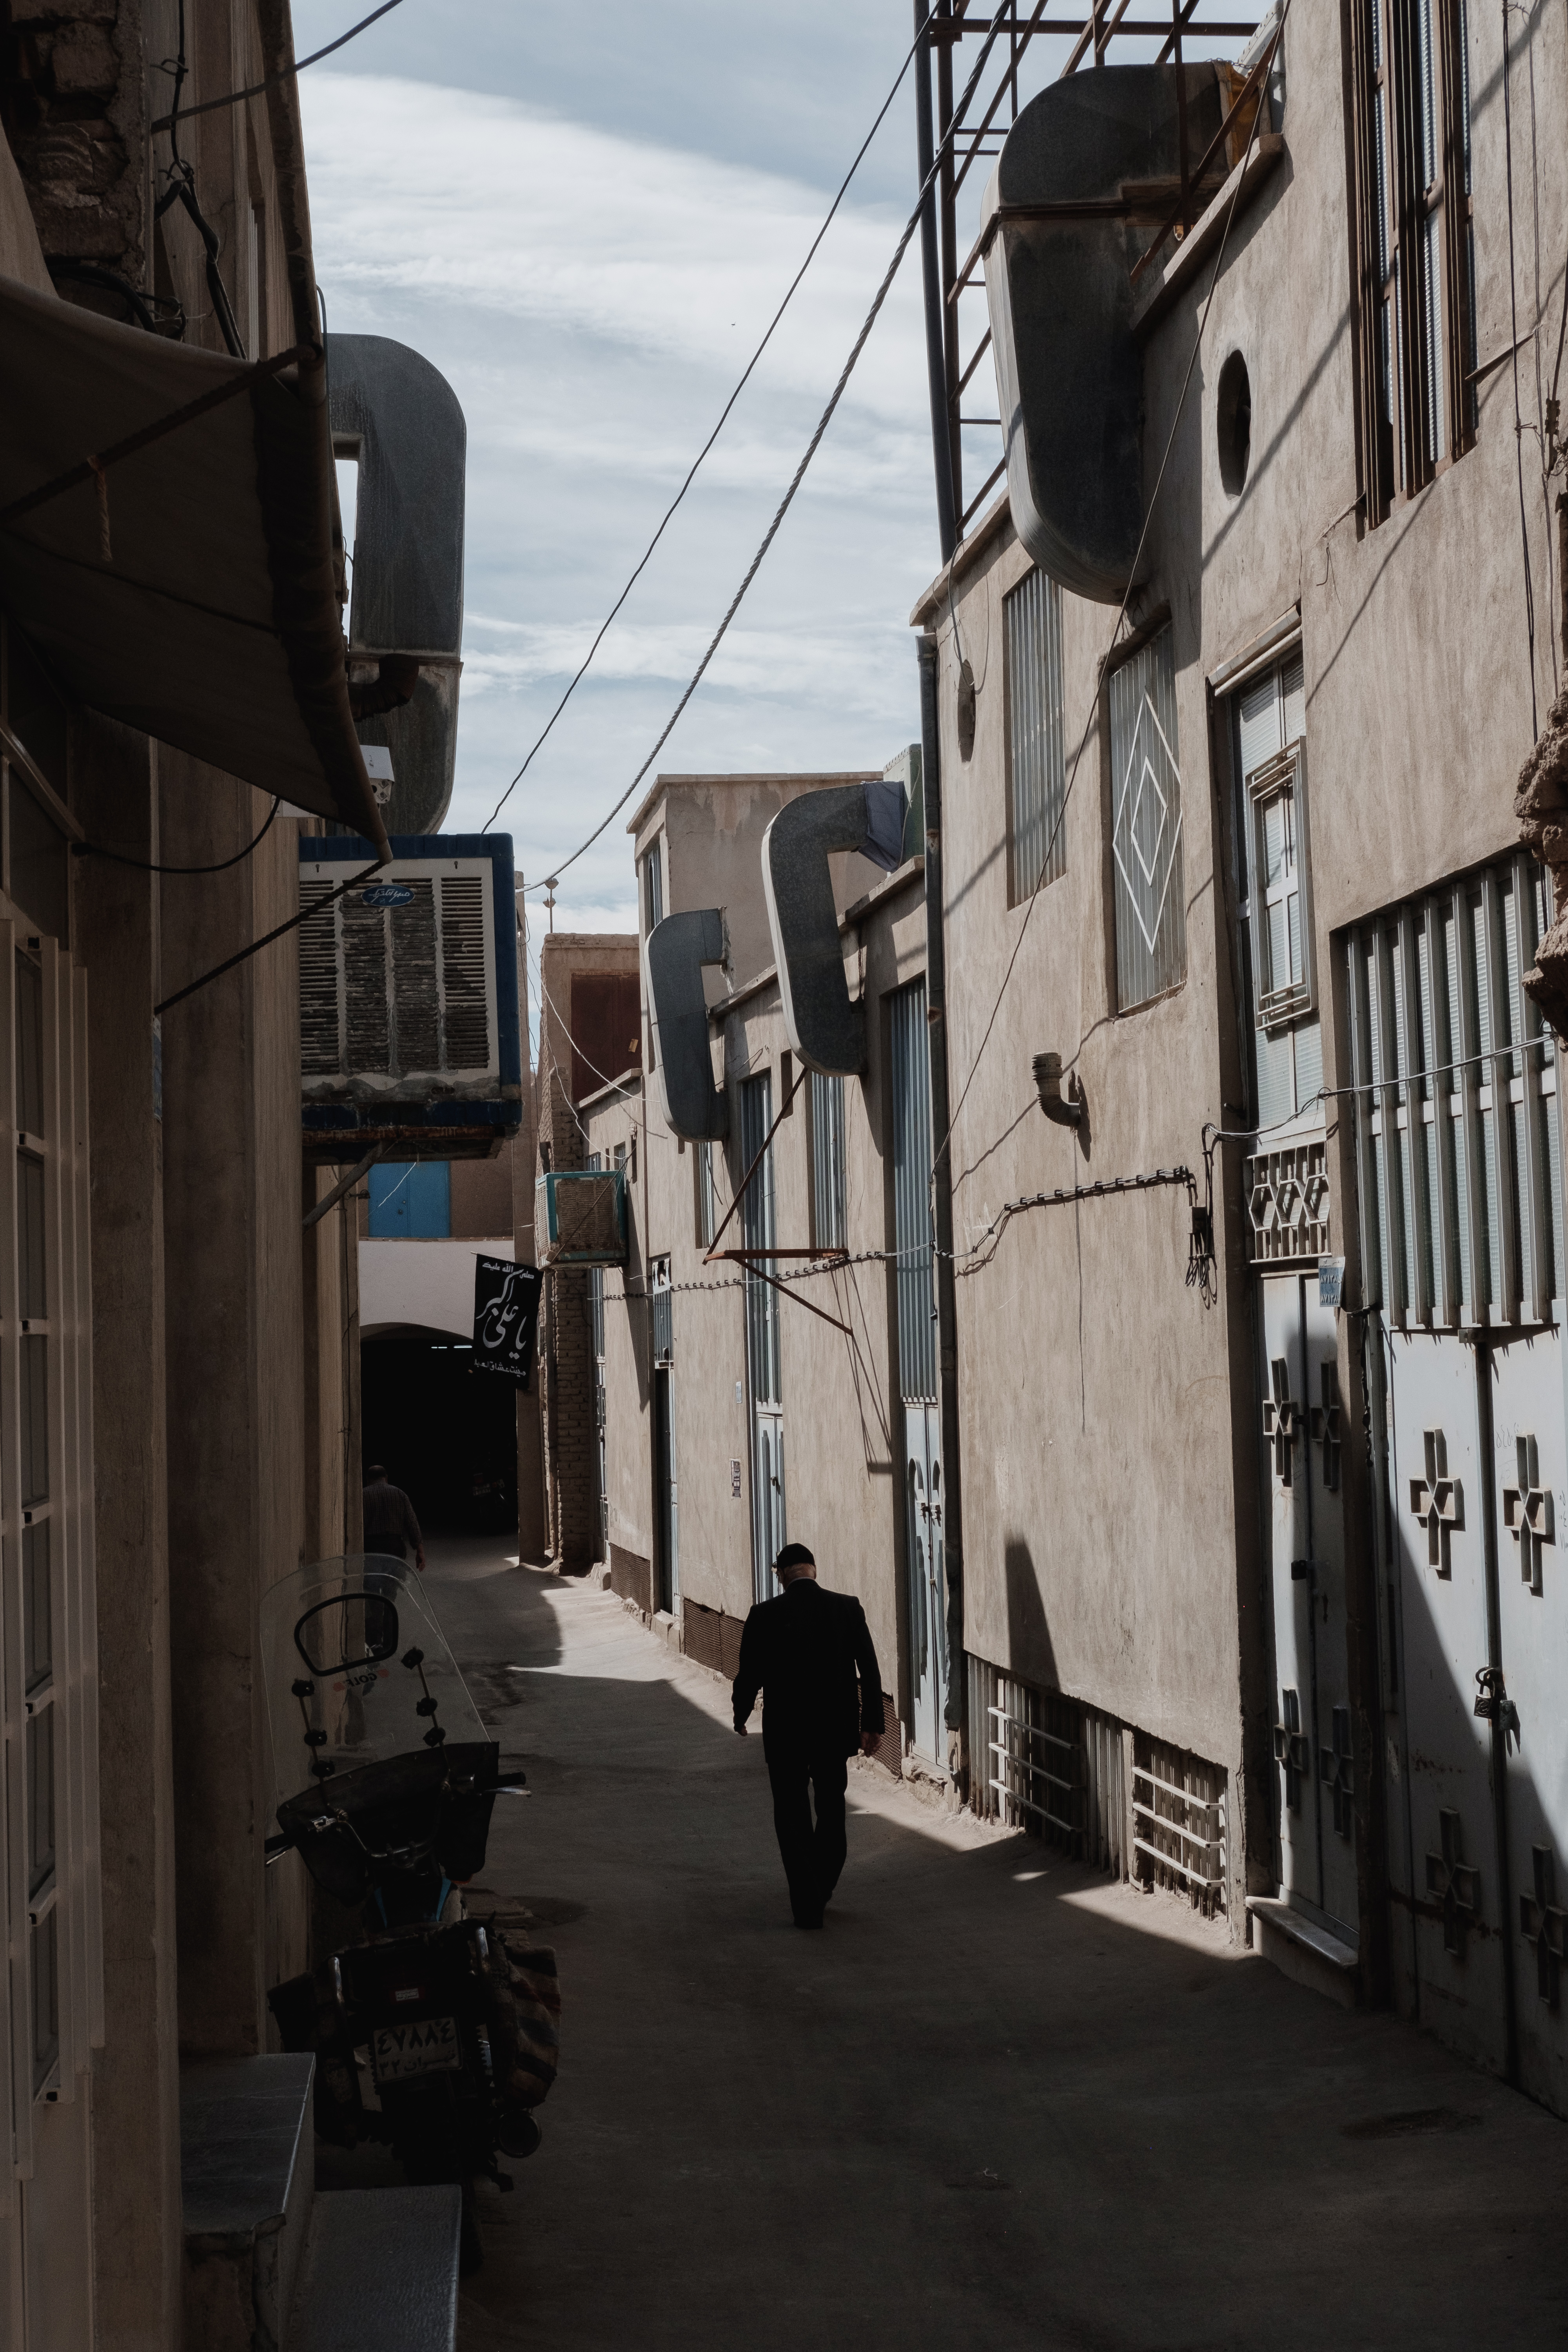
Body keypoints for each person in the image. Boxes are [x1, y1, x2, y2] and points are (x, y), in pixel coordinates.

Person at [732, 1542, 885, 1929]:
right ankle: (822, 1885)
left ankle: (806, 1902)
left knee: (791, 1815)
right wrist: (872, 1725)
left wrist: (741, 1712)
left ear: (780, 1575)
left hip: (785, 1732)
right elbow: (869, 1671)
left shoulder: (764, 1614)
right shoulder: (846, 1608)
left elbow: (749, 1672)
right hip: (834, 1730)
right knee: (833, 1810)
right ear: (813, 1570)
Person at [363, 1464, 426, 1572]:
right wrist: (420, 1551)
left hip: (371, 1548)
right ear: (386, 1478)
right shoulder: (400, 1494)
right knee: (392, 1583)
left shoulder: (363, 1496)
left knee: (372, 1583)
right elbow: (412, 1523)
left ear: (368, 1479)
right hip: (394, 1547)